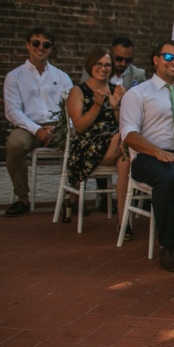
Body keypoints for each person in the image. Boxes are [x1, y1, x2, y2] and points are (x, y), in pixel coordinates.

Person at [119, 40, 174, 272]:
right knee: (169, 177)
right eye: (169, 57)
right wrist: (157, 152)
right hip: (148, 156)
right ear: (156, 59)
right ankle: (168, 246)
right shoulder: (138, 93)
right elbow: (128, 134)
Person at [3, 27, 73, 216]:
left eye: (46, 44)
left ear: (51, 48)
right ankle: (22, 199)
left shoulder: (62, 77)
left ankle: (72, 198)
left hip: (58, 126)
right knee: (14, 145)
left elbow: (73, 108)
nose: (40, 47)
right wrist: (37, 130)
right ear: (28, 45)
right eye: (36, 43)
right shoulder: (15, 76)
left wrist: (63, 128)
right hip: (28, 126)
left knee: (79, 141)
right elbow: (12, 111)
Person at [64, 48, 129, 234]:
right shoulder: (78, 91)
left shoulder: (116, 91)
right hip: (88, 146)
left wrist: (116, 107)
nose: (103, 68)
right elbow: (79, 127)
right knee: (126, 140)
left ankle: (122, 221)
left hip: (115, 146)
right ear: (90, 65)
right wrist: (96, 106)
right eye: (98, 64)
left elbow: (122, 123)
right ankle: (146, 185)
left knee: (126, 161)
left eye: (107, 64)